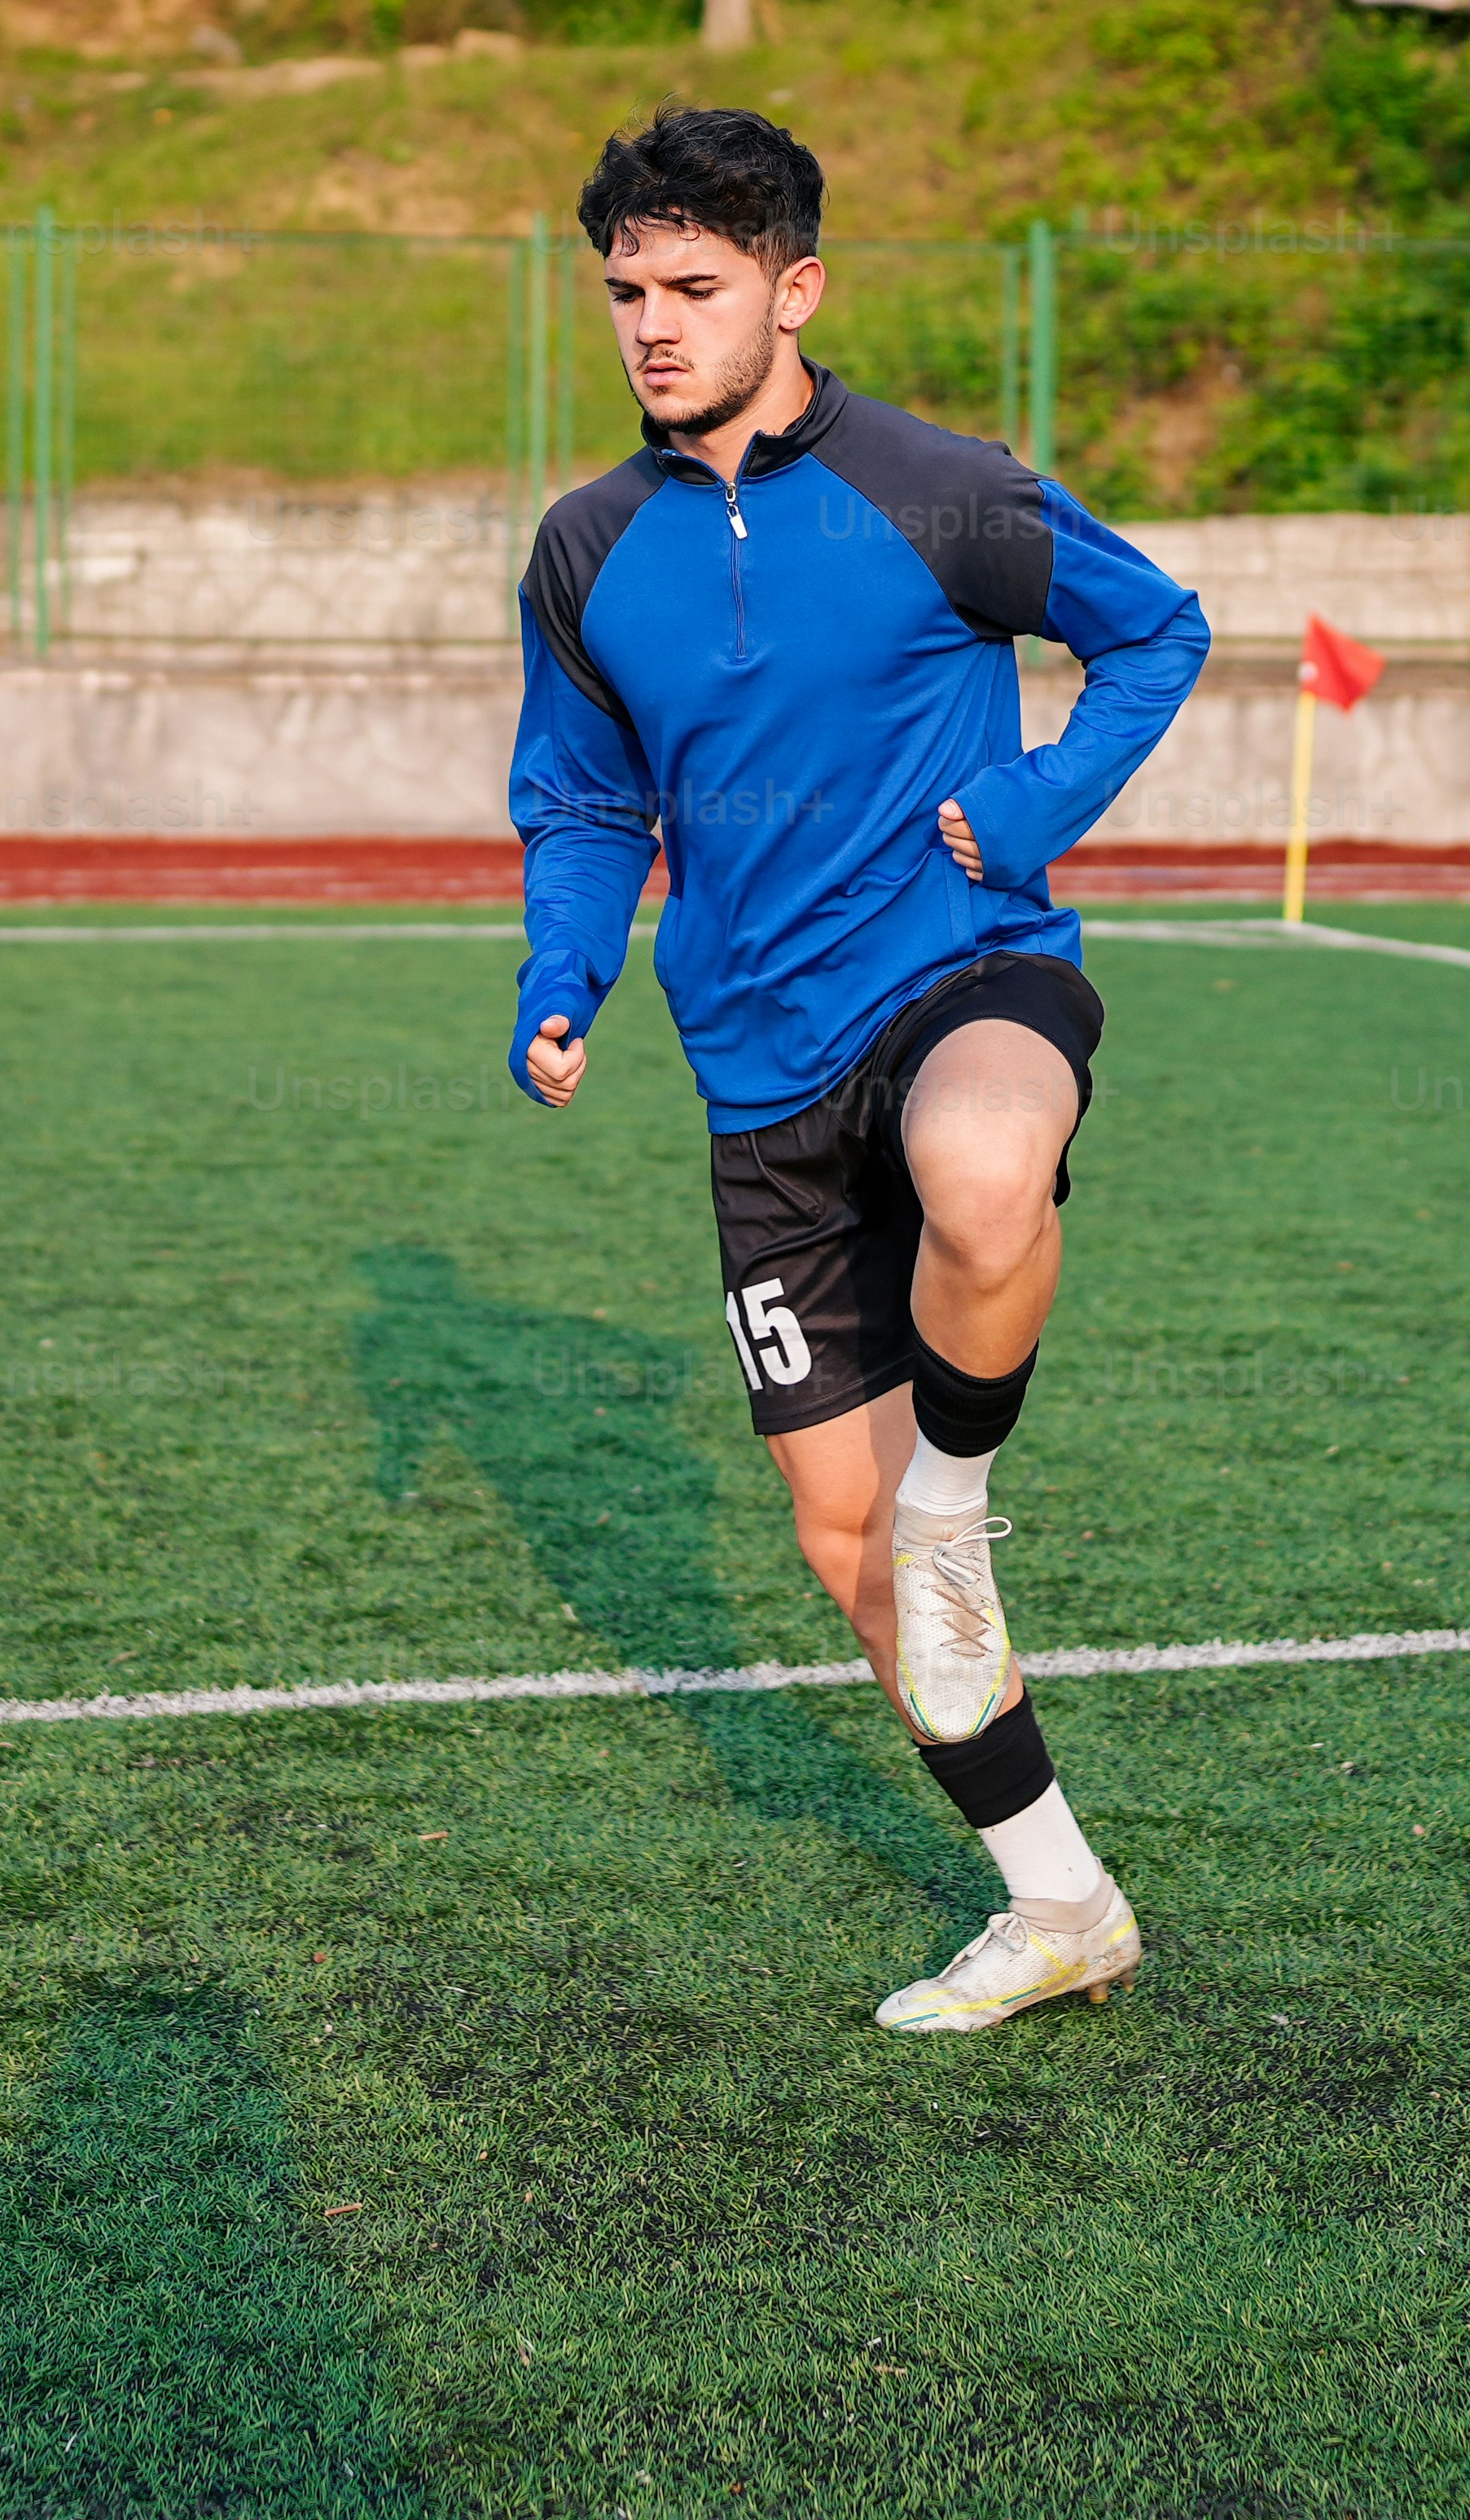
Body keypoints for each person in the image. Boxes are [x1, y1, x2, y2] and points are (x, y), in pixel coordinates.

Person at [504, 108, 1211, 2033]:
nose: (651, 325)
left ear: (794, 289)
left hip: (961, 969)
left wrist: (1041, 795)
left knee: (987, 1170)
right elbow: (579, 793)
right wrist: (564, 964)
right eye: (626, 291)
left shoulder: (936, 489)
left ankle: (960, 1497)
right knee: (841, 1542)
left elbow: (1154, 629)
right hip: (754, 1066)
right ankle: (1057, 1898)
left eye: (694, 288)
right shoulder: (585, 547)